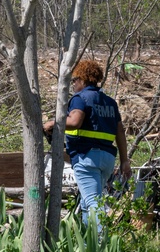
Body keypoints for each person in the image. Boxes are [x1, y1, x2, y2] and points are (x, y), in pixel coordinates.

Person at [44, 59, 130, 224]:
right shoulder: (110, 103)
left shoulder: (80, 98)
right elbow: (120, 132)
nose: (74, 84)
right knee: (86, 203)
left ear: (82, 80)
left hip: (87, 157)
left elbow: (75, 121)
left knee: (93, 203)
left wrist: (51, 123)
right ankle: (85, 245)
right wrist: (125, 160)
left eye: (75, 80)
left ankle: (98, 245)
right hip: (107, 160)